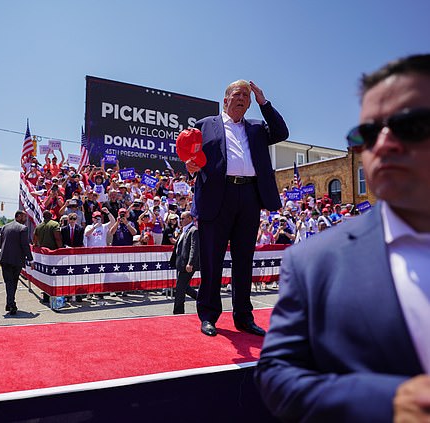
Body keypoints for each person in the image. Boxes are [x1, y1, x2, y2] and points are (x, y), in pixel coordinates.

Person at [255, 54, 430, 423]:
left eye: (409, 125)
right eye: (366, 135)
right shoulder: (313, 263)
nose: (382, 144)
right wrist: (387, 402)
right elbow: (278, 375)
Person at [186, 80, 289, 337]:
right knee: (212, 260)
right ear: (225, 99)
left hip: (249, 196)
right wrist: (188, 166)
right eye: (237, 94)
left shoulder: (257, 127)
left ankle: (243, 317)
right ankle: (208, 315)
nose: (242, 98)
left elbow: (281, 132)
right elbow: (188, 156)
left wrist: (264, 102)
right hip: (216, 197)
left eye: (246, 95)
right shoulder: (205, 125)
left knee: (244, 260)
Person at [0, 210, 33, 315]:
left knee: (9, 282)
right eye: (24, 217)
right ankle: (11, 304)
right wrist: (31, 259)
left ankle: (10, 303)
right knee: (12, 282)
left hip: (5, 259)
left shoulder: (5, 227)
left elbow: (1, 242)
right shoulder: (23, 228)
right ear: (18, 216)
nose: (26, 219)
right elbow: (25, 245)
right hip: (16, 260)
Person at [169, 211, 199, 314]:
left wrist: (190, 263)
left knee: (180, 288)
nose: (180, 221)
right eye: (180, 219)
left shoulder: (193, 230)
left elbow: (194, 248)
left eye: (183, 218)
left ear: (190, 219)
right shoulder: (184, 230)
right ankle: (202, 300)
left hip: (187, 264)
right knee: (184, 286)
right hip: (181, 263)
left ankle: (178, 312)